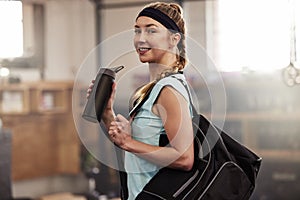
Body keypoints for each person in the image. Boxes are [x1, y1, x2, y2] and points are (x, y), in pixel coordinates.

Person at [87, 2, 194, 199]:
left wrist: (128, 143)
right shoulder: (153, 88)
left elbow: (184, 158)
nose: (140, 39)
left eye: (151, 31)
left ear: (173, 39)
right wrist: (106, 113)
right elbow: (143, 146)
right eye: (137, 31)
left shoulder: (169, 90)